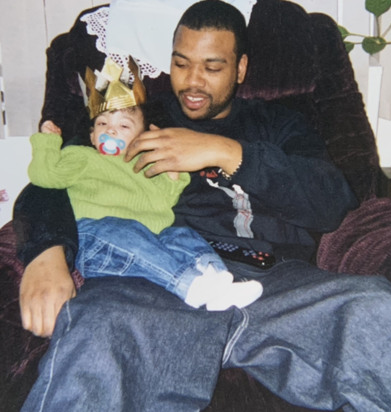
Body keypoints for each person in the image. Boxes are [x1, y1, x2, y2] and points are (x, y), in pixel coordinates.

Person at [17, 0, 391, 411]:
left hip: (276, 285)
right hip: (155, 281)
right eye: (181, 64)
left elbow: (333, 201)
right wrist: (45, 252)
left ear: (240, 68)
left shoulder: (279, 124)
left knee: (371, 307)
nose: (193, 81)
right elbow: (50, 182)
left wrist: (225, 152)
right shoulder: (135, 119)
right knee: (96, 333)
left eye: (212, 67)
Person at [27, 68, 262, 311]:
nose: (111, 130)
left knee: (180, 235)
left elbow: (164, 201)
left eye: (124, 126)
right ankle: (189, 285)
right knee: (124, 231)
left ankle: (216, 279)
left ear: (142, 138)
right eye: (103, 123)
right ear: (93, 135)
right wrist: (48, 142)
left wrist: (172, 170)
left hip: (150, 241)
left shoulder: (147, 165)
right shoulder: (81, 156)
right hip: (95, 239)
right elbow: (45, 176)